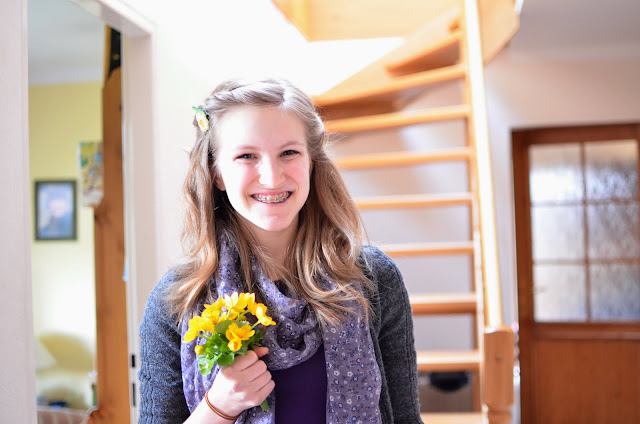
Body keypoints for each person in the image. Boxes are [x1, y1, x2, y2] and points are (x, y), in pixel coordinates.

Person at [138, 78, 423, 424]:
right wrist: (217, 408)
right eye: (246, 156)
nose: (272, 178)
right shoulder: (175, 301)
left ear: (312, 162)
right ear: (217, 173)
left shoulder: (374, 279)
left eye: (289, 153)